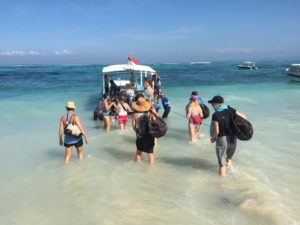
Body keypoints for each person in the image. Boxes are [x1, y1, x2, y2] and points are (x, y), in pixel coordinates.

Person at [208, 95, 246, 176]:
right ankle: (231, 172)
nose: (212, 106)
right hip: (232, 137)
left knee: (222, 162)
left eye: (212, 104)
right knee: (228, 158)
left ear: (217, 104)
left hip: (222, 138)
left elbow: (217, 132)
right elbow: (244, 117)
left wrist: (213, 139)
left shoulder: (216, 115)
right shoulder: (230, 110)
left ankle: (222, 183)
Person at [131, 97, 157, 164]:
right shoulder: (150, 113)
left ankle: (137, 167)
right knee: (150, 153)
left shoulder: (134, 114)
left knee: (138, 152)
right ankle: (151, 169)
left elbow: (133, 126)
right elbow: (154, 122)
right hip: (149, 135)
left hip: (140, 135)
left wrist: (138, 132)